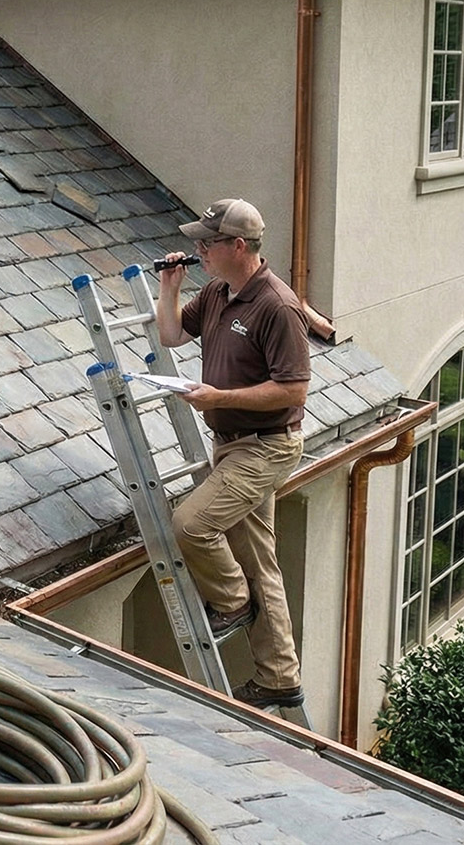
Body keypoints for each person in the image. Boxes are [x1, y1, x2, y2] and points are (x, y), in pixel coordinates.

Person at [156, 198, 311, 709]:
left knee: (191, 524)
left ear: (237, 246)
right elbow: (173, 333)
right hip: (232, 445)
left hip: (265, 449)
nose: (198, 249)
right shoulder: (221, 292)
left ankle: (232, 602)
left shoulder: (276, 306)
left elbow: (293, 391)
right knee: (260, 560)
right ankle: (279, 677)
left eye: (207, 242)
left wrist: (218, 398)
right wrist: (170, 289)